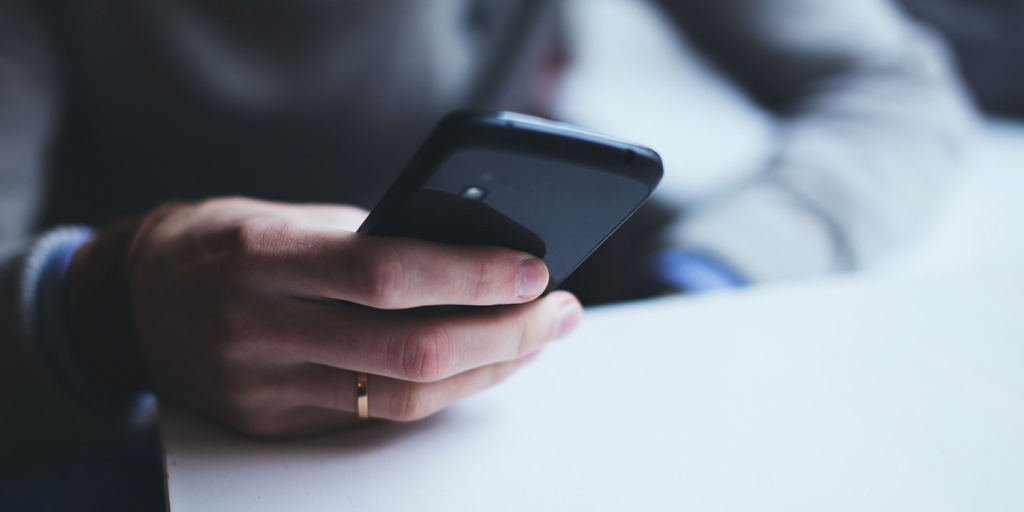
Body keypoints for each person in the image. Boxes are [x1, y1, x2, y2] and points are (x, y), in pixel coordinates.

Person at [0, 0, 972, 504]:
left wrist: (704, 281)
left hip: (550, 349)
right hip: (126, 396)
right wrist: (96, 303)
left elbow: (893, 88)